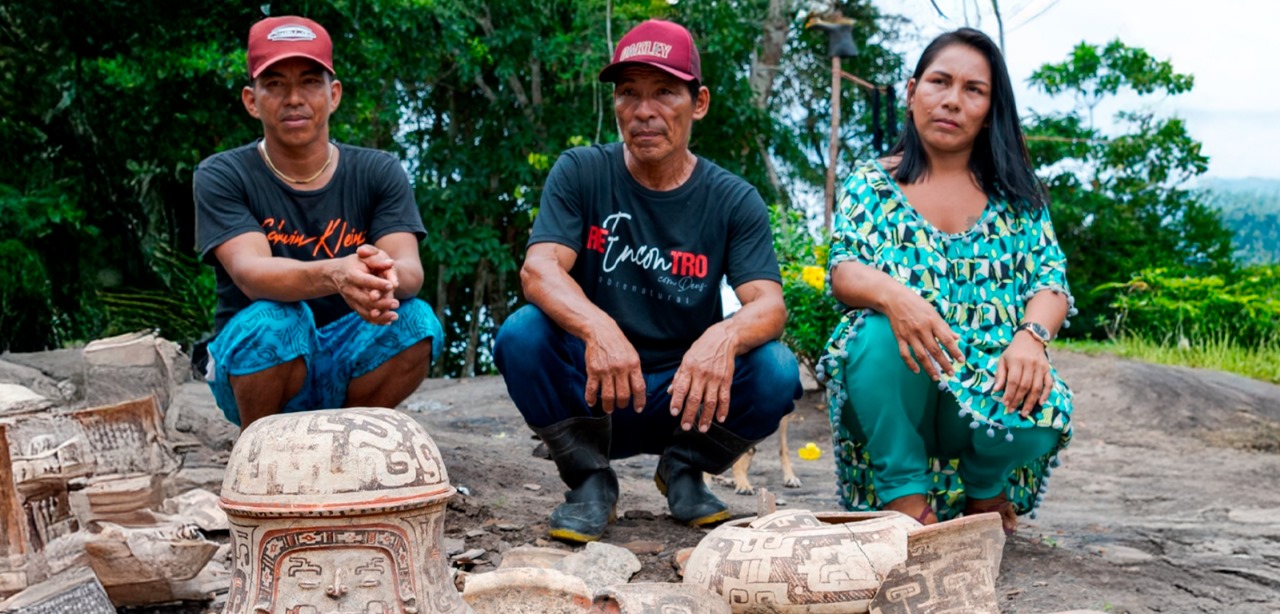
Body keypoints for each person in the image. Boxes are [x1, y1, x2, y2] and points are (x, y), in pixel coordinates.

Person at [493, 19, 802, 543]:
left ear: (698, 103)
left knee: (776, 369)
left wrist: (722, 337)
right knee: (521, 334)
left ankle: (683, 467)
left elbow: (769, 305)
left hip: (686, 399)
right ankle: (589, 479)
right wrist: (599, 329)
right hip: (594, 389)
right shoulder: (581, 172)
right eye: (628, 93)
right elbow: (539, 268)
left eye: (664, 92)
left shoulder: (733, 199)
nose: (643, 111)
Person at [819, 27, 1075, 535]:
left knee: (1044, 402)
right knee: (874, 331)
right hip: (895, 388)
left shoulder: (1017, 196)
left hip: (983, 384)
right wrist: (897, 299)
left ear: (990, 110)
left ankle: (984, 489)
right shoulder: (872, 184)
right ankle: (906, 500)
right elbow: (845, 269)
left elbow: (1050, 282)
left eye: (973, 90)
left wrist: (1031, 339)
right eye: (940, 82)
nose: (953, 101)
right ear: (912, 92)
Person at [194, 16, 443, 428]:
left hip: (349, 351)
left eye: (310, 82)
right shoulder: (222, 174)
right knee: (276, 321)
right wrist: (336, 273)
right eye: (275, 84)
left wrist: (380, 275)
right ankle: (260, 447)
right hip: (257, 363)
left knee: (416, 320)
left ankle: (348, 437)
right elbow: (251, 273)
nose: (294, 98)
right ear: (251, 100)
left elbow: (410, 271)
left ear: (334, 94)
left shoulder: (378, 171)